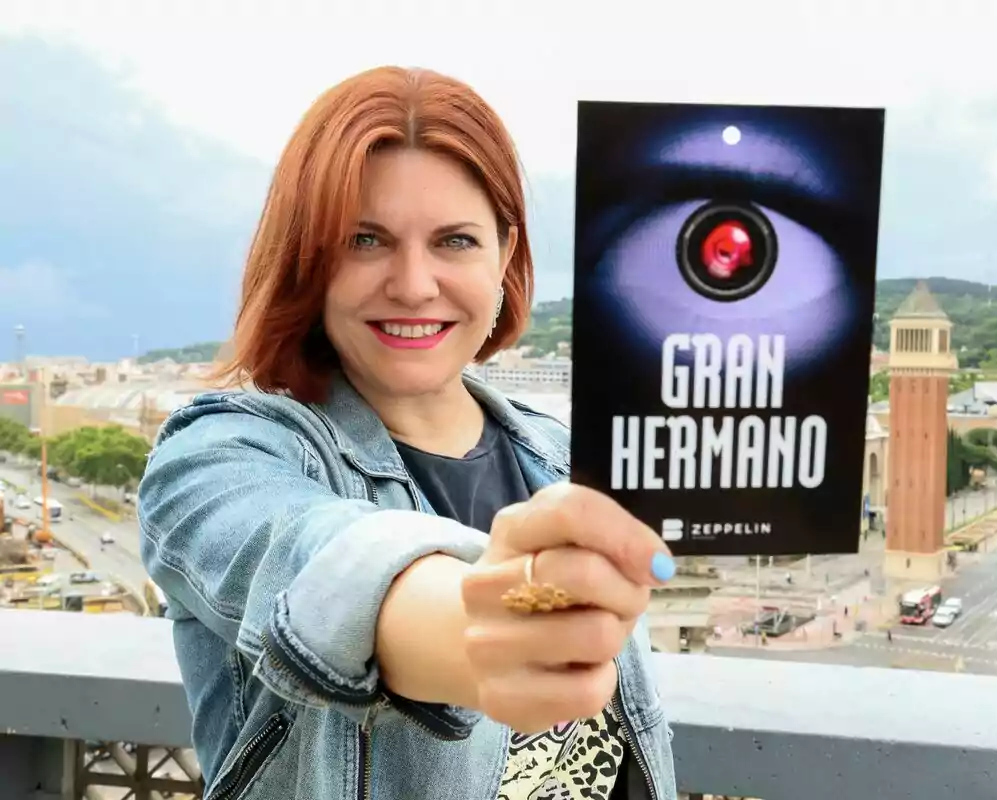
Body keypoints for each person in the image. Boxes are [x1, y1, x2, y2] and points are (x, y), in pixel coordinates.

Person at [138, 66, 678, 800]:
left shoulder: (559, 460)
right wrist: (487, 627)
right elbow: (320, 567)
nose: (415, 284)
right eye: (365, 240)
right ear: (307, 259)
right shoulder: (214, 459)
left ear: (506, 255)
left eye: (455, 241)